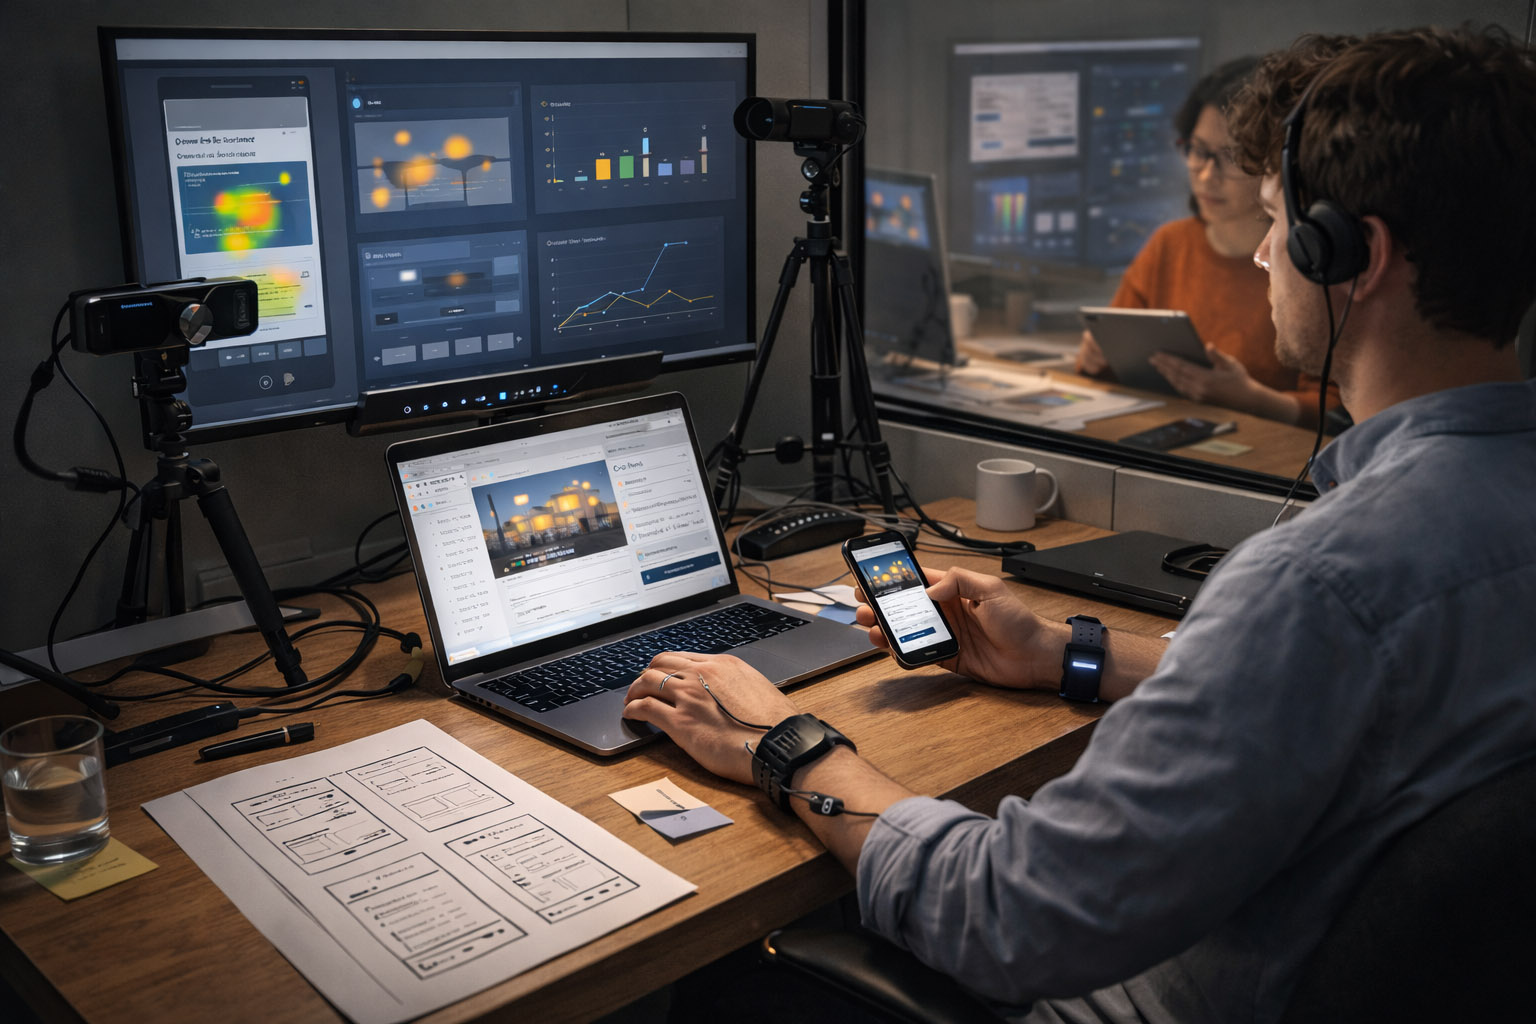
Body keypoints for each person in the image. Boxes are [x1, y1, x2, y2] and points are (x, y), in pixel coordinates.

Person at [625, 24, 1536, 1023]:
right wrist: (1073, 652)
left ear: (1353, 255)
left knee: (728, 969)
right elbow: (1333, 701)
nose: (1269, 251)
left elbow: (1012, 915)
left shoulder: (1320, 587)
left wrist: (786, 743)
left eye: (1280, 222)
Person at [1074, 57, 1334, 427]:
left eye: (1229, 157)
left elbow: (1340, 412)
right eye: (1198, 151)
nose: (1207, 175)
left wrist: (1254, 400)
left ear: (1275, 165)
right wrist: (1097, 357)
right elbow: (1111, 375)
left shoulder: (1303, 261)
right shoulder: (1171, 244)